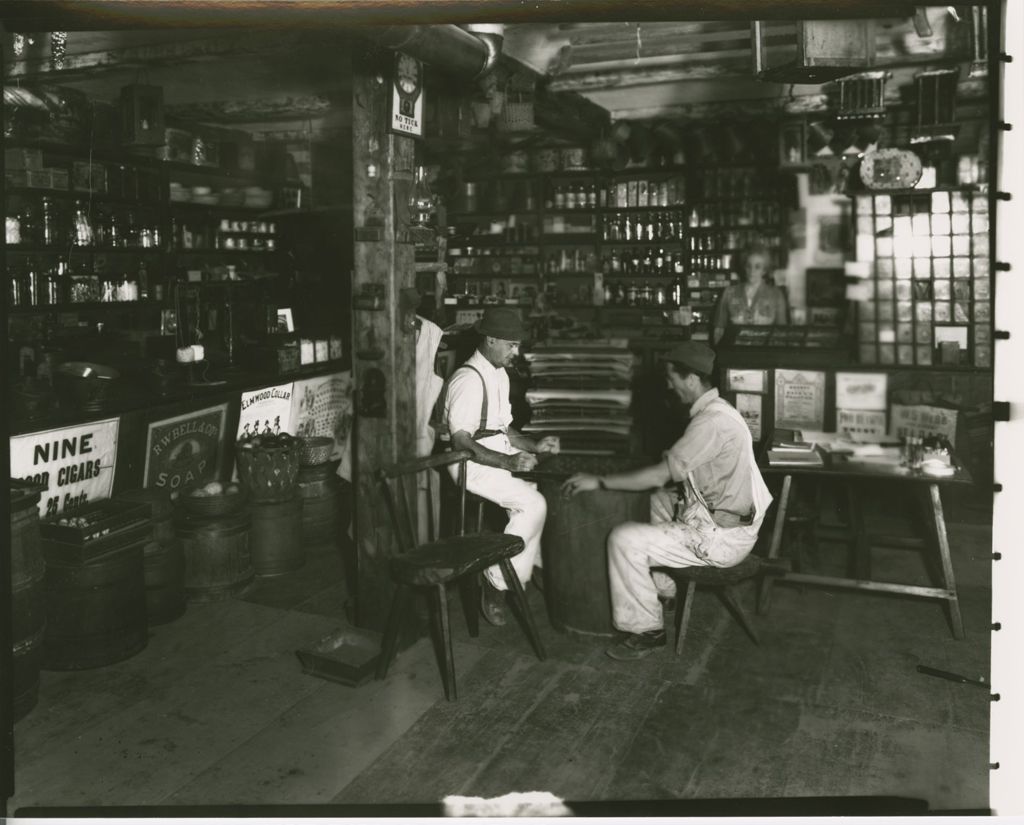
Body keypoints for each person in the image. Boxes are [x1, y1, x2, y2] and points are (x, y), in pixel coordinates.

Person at [561, 341, 772, 660]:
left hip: (721, 541)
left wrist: (599, 480)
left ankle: (646, 630)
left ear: (690, 379)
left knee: (623, 538)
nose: (668, 385)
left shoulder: (710, 422)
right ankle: (665, 590)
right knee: (656, 502)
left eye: (671, 378)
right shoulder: (721, 411)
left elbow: (660, 474)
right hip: (726, 522)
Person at [443, 306, 559, 626]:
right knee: (532, 503)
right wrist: (508, 461)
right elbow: (461, 443)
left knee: (539, 491)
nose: (516, 352)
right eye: (511, 345)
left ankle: (527, 565)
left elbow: (504, 431)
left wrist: (535, 444)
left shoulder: (500, 375)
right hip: (470, 463)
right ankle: (496, 582)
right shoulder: (467, 380)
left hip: (494, 453)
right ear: (491, 340)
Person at [712, 243, 788, 344]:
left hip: (765, 354)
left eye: (757, 267)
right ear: (744, 267)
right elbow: (718, 330)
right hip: (735, 353)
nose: (752, 271)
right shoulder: (729, 293)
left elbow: (781, 333)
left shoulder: (775, 295)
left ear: (764, 270)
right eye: (749, 266)